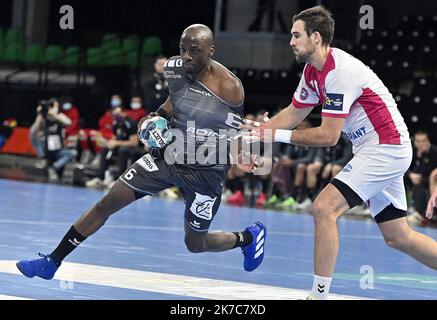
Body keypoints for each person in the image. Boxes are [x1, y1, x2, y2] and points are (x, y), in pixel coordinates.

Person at [16, 24, 266, 280]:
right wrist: (153, 118)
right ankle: (52, 261)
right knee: (107, 202)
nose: (187, 56)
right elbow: (175, 101)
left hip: (205, 171)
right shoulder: (176, 68)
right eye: (182, 50)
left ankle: (246, 238)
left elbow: (232, 131)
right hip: (167, 157)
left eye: (195, 51)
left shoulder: (229, 87)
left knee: (195, 244)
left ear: (210, 51)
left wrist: (244, 154)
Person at [242, 6, 437, 300]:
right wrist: (263, 131)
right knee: (398, 237)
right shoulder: (312, 72)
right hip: (375, 150)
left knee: (324, 208)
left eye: (296, 35)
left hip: (386, 148)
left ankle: (318, 295)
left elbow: (328, 136)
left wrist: (274, 134)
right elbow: (295, 112)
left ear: (316, 37)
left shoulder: (340, 72)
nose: (291, 41)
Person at [29, 98, 77, 181]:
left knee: (73, 153)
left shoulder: (59, 115)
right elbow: (32, 132)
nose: (52, 108)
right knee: (33, 137)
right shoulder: (43, 118)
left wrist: (54, 115)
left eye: (54, 106)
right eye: (51, 106)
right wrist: (40, 114)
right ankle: (43, 158)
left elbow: (68, 122)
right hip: (46, 149)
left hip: (58, 150)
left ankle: (54, 167)